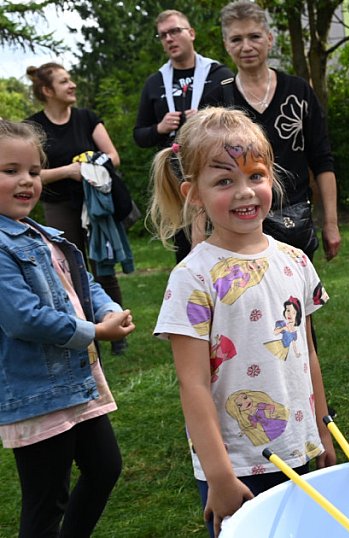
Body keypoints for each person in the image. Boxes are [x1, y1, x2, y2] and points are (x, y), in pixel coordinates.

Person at [150, 107, 336, 537]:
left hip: (297, 451)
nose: (245, 193)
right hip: (235, 468)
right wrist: (218, 476)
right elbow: (192, 384)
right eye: (223, 181)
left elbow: (307, 353)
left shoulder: (296, 260)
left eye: (255, 176)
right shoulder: (192, 278)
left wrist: (323, 430)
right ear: (193, 193)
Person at [0, 119, 135, 537]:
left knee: (105, 468)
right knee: (47, 502)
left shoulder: (41, 234)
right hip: (36, 394)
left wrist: (110, 309)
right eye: (10, 171)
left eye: (34, 172)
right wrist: (96, 333)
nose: (27, 181)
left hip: (76, 383)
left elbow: (84, 282)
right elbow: (23, 317)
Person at [207, 0, 341, 263]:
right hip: (236, 226)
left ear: (269, 39)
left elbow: (322, 160)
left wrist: (331, 223)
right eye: (236, 39)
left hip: (294, 223)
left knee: (293, 304)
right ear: (226, 45)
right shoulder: (217, 101)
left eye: (254, 36)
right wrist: (200, 236)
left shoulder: (298, 92)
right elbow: (203, 174)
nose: (246, 46)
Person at [26, 62, 130, 355]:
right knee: (70, 269)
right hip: (59, 206)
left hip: (96, 204)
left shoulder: (86, 118)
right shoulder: (33, 127)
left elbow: (114, 157)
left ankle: (117, 330)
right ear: (47, 90)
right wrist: (69, 171)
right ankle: (84, 334)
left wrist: (91, 167)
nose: (72, 85)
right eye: (64, 81)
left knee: (103, 264)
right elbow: (30, 173)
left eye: (70, 79)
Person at [134, 9, 233, 263]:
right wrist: (160, 128)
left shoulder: (218, 75)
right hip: (177, 180)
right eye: (163, 34)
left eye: (175, 31)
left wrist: (206, 118)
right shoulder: (155, 82)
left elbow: (240, 122)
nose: (169, 38)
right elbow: (140, 136)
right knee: (185, 244)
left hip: (220, 172)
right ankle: (193, 295)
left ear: (191, 33)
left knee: (226, 235)